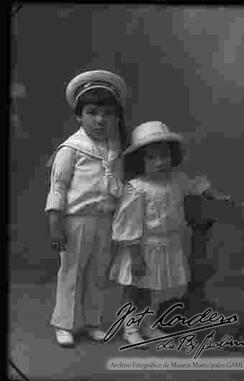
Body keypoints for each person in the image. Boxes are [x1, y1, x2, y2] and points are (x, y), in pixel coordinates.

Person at [109, 121, 229, 348]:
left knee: (153, 290)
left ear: (172, 156)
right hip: (141, 247)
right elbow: (129, 225)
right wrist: (134, 256)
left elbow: (197, 186)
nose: (160, 162)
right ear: (139, 161)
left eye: (164, 155)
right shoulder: (137, 188)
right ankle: (129, 327)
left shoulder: (178, 180)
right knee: (134, 290)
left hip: (166, 246)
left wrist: (214, 194)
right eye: (151, 158)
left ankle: (148, 323)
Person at [45, 70, 127, 347]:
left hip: (105, 221)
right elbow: (58, 188)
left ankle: (93, 321)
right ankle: (64, 324)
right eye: (92, 112)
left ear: (115, 116)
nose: (100, 119)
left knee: (97, 272)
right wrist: (55, 222)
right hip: (76, 220)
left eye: (107, 113)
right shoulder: (72, 148)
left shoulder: (115, 147)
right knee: (71, 272)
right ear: (79, 116)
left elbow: (118, 184)